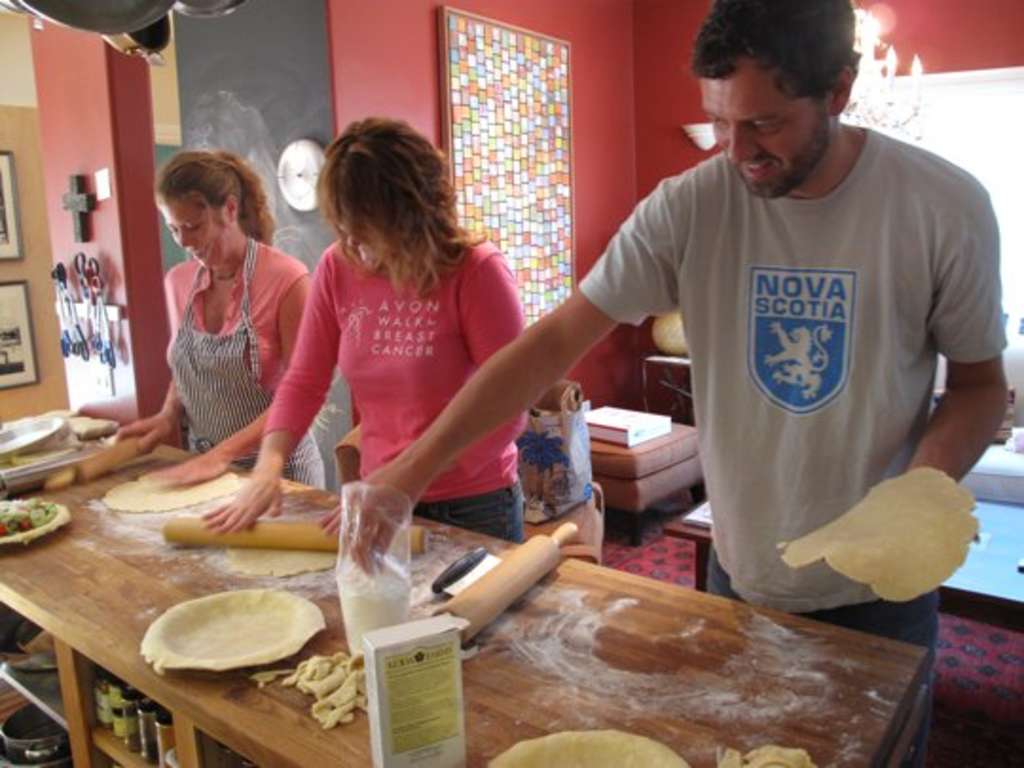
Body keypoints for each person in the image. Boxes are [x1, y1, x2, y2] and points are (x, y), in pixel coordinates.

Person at [349, 2, 1007, 765]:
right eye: (718, 122)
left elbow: (979, 387)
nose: (736, 151)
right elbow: (554, 342)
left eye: (763, 124)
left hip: (881, 600)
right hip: (741, 574)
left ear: (839, 91)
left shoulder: (943, 206)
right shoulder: (691, 204)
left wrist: (916, 495)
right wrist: (412, 469)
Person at [203, 118, 526, 542]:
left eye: (368, 230)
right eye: (343, 229)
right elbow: (304, 380)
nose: (352, 245)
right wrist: (269, 464)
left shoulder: (475, 271)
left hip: (471, 503)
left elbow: (509, 406)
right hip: (377, 493)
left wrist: (407, 477)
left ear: (415, 212)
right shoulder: (339, 266)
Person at [118, 150, 324, 486]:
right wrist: (168, 415)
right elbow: (189, 366)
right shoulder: (179, 282)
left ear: (229, 210)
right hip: (206, 468)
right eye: (173, 229)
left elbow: (302, 394)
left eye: (193, 227)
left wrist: (222, 454)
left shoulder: (287, 279)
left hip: (278, 473)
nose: (184, 242)